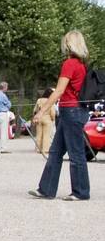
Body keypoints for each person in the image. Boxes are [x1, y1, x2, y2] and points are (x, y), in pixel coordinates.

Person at [29, 31, 91, 201]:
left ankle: (81, 192)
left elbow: (59, 91)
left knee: (76, 153)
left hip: (71, 110)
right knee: (56, 152)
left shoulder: (69, 64)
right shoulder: (81, 64)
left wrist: (41, 111)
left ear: (69, 44)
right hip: (73, 111)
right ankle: (46, 189)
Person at [33, 87, 56, 154]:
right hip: (47, 118)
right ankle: (45, 149)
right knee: (47, 135)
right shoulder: (50, 100)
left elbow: (35, 110)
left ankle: (38, 149)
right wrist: (53, 118)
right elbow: (52, 112)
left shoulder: (39, 100)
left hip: (39, 118)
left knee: (39, 135)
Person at [0, 80, 11, 153]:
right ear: (4, 87)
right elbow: (9, 104)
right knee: (3, 132)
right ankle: (3, 148)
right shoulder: (3, 95)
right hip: (3, 113)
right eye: (6, 87)